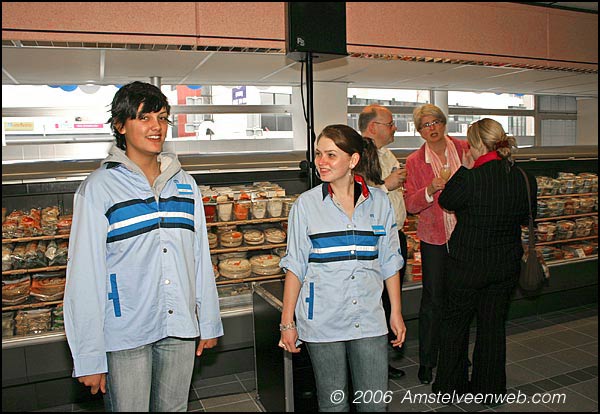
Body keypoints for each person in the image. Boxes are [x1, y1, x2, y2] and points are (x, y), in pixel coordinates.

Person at [63, 81, 224, 412]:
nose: (156, 127)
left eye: (162, 117)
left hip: (179, 326)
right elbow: (84, 276)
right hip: (125, 331)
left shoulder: (184, 185)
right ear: (121, 126)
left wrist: (208, 320)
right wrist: (89, 355)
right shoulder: (99, 188)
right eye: (145, 117)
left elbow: (199, 257)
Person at [278, 124, 406, 412]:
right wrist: (288, 323)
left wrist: (395, 312)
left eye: (331, 155)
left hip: (370, 318)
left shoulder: (379, 202)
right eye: (319, 154)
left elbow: (389, 260)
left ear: (353, 160)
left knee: (373, 404)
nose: (321, 162)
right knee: (333, 404)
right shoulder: (306, 206)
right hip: (322, 320)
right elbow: (295, 266)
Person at [434, 118, 535, 398]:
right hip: (505, 264)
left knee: (455, 325)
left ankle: (450, 388)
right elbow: (530, 214)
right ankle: (489, 389)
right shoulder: (523, 177)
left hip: (467, 264)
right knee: (492, 326)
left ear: (476, 145)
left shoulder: (471, 176)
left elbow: (447, 201)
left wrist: (464, 168)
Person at [404, 103, 469, 384]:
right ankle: (427, 361)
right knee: (433, 301)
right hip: (434, 239)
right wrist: (430, 190)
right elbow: (410, 204)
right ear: (419, 131)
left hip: (466, 235)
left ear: (444, 123)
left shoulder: (465, 148)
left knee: (463, 298)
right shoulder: (415, 161)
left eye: (435, 123)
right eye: (424, 126)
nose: (431, 129)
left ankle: (457, 354)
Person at [358, 104, 408, 380]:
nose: (394, 128)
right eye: (390, 124)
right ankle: (373, 361)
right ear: (373, 126)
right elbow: (356, 193)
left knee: (390, 301)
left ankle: (382, 356)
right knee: (375, 301)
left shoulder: (386, 153)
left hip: (394, 235)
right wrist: (386, 185)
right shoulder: (359, 154)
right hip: (374, 239)